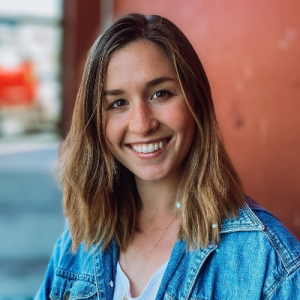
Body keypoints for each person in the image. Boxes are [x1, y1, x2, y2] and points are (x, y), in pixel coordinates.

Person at [35, 13, 300, 300]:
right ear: (95, 121)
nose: (142, 124)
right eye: (118, 103)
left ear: (195, 101)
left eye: (160, 94)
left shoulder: (268, 260)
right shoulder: (81, 240)